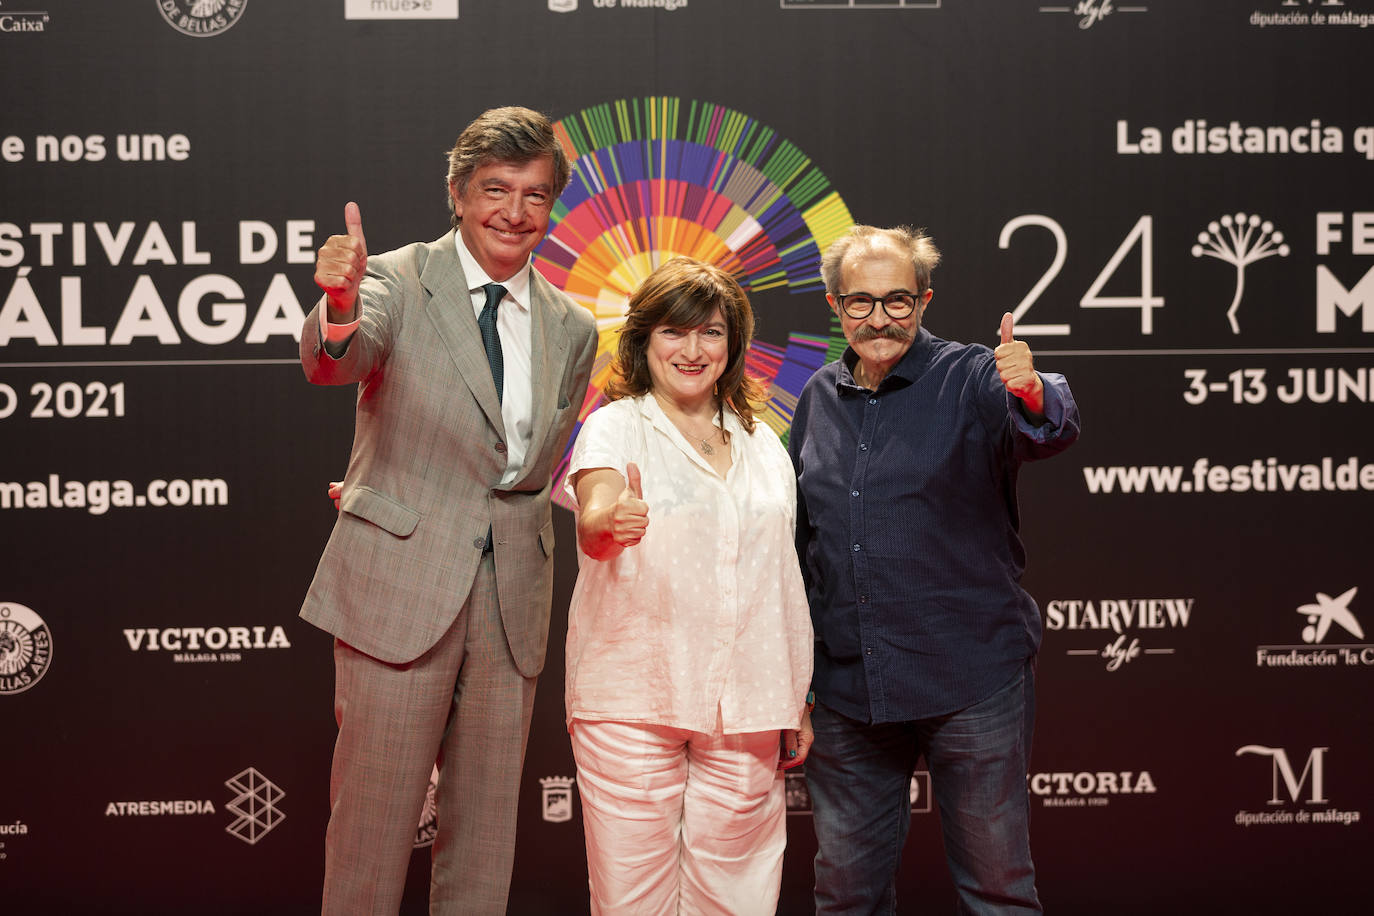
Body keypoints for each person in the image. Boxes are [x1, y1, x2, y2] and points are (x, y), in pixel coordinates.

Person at [298, 106, 598, 915]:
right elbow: (340, 361)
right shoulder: (394, 278)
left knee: (486, 836)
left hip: (511, 606)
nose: (514, 211)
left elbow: (533, 462)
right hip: (401, 585)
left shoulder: (573, 327)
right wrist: (338, 305)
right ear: (459, 194)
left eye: (535, 195)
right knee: (371, 830)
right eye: (496, 189)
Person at [788, 225, 1081, 914]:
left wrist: (1034, 388)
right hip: (848, 694)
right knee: (844, 896)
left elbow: (1049, 423)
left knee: (998, 891)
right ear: (834, 305)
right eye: (860, 302)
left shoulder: (974, 375)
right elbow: (803, 545)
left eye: (898, 299)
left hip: (968, 680)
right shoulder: (815, 401)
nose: (880, 318)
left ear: (924, 300)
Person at [562, 256, 814, 915]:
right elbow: (594, 513)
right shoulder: (613, 426)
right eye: (674, 332)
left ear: (732, 346)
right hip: (633, 697)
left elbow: (782, 580)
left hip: (752, 703)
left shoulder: (765, 445)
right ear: (644, 342)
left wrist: (798, 697)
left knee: (740, 899)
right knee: (632, 900)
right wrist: (607, 520)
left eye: (710, 332)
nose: (693, 349)